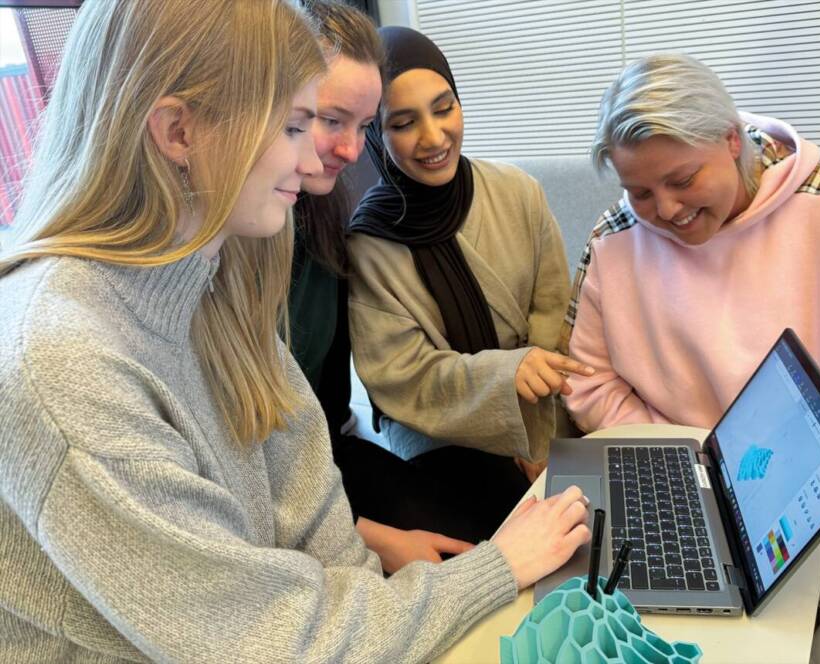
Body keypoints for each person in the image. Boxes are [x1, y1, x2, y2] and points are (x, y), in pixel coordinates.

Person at [0, 1, 591, 661]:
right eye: (294, 125)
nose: (319, 156)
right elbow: (266, 638)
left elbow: (315, 521)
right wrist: (495, 568)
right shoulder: (63, 364)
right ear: (178, 132)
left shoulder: (217, 282)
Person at [561, 53, 820, 663]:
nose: (665, 210)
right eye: (640, 191)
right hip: (683, 466)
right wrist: (677, 452)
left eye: (682, 179)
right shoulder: (615, 239)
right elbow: (589, 380)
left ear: (731, 140)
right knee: (628, 634)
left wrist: (806, 473)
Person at [346, 26, 592, 541]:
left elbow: (552, 317)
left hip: (540, 409)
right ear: (375, 133)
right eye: (403, 123)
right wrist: (503, 381)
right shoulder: (371, 242)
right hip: (440, 432)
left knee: (591, 520)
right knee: (500, 534)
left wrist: (533, 437)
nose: (434, 137)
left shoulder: (519, 193)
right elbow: (400, 377)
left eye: (444, 109)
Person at [288, 2, 475, 572]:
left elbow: (331, 410)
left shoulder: (323, 217)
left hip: (326, 456)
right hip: (276, 486)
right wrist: (365, 537)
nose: (350, 150)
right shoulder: (249, 238)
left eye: (363, 125)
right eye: (330, 119)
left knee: (471, 532)